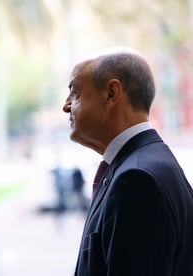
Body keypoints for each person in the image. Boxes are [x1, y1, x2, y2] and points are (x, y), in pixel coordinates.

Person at [63, 47, 193, 275]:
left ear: (111, 94)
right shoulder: (147, 163)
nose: (66, 106)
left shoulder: (137, 180)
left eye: (75, 93)